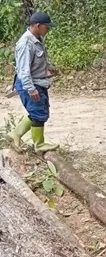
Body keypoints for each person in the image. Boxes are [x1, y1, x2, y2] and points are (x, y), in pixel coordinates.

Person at [8, 12, 59, 153]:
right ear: (37, 26)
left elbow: (35, 63)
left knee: (40, 112)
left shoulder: (37, 39)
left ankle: (15, 134)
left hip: (38, 81)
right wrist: (31, 89)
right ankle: (39, 144)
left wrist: (47, 69)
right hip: (30, 83)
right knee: (38, 113)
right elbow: (23, 70)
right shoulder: (25, 43)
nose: (48, 30)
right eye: (46, 27)